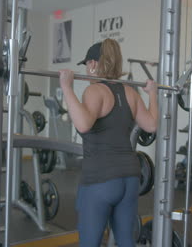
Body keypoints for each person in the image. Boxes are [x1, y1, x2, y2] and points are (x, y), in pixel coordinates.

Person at [59, 39, 158, 246]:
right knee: (125, 241)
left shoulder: (94, 91)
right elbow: (151, 125)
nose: (86, 69)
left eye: (86, 64)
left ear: (94, 64)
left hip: (100, 180)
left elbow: (84, 124)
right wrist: (153, 95)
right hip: (130, 179)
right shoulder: (131, 92)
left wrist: (66, 87)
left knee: (89, 243)